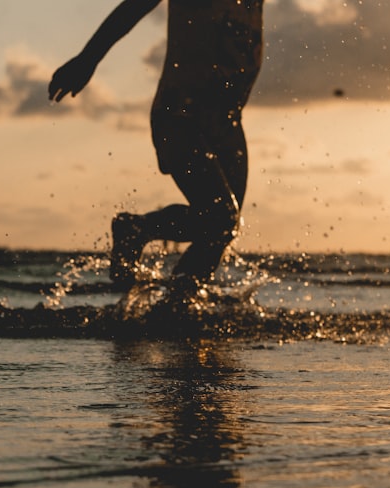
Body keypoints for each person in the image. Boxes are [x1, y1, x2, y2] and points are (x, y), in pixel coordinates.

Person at [49, 0, 264, 294]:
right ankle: (138, 230)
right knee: (220, 220)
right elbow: (134, 7)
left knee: (220, 230)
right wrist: (88, 58)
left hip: (227, 123)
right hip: (180, 115)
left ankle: (178, 306)